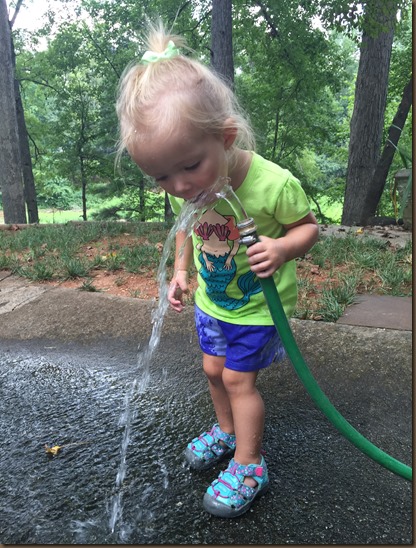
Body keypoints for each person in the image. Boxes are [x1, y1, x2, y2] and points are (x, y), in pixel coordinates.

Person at [116, 20, 319, 518]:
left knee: (237, 380)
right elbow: (186, 228)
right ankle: (227, 432)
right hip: (213, 300)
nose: (180, 186)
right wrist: (180, 271)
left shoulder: (272, 184)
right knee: (212, 370)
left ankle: (250, 463)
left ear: (225, 138)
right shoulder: (189, 188)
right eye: (161, 177)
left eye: (189, 167)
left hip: (257, 306)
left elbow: (309, 228)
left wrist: (282, 248)